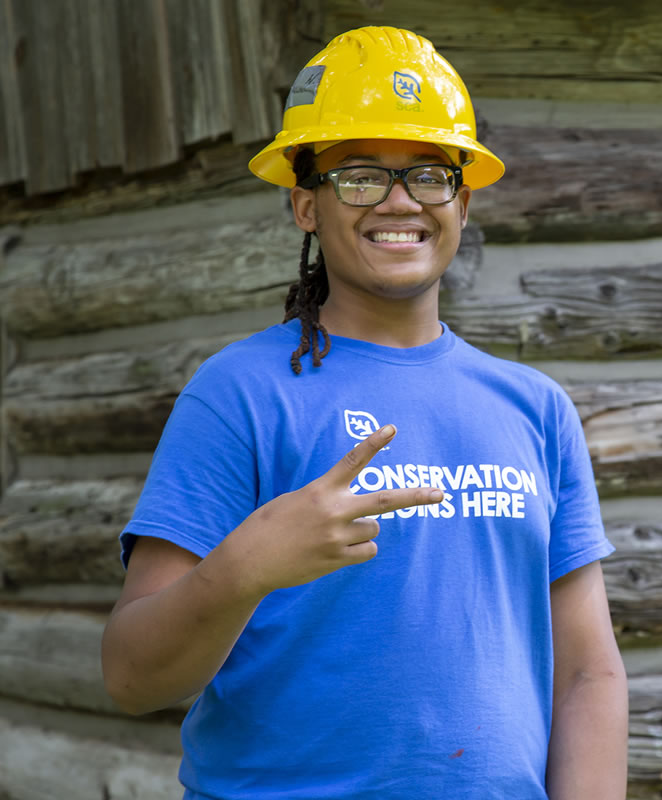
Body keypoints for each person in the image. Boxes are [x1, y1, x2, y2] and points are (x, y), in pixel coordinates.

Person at [99, 26, 628, 799]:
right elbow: (130, 678)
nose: (399, 201)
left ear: (463, 200)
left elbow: (587, 672)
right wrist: (244, 570)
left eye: (427, 175)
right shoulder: (239, 394)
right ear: (304, 205)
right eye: (359, 177)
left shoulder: (536, 409)